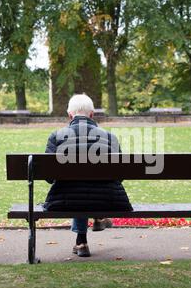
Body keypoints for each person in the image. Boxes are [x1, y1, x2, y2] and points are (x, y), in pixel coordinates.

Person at [43, 94, 133, 257]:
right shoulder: (110, 137)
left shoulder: (56, 136)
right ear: (92, 114)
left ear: (70, 115)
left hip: (65, 199)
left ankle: (82, 241)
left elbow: (49, 177)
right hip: (108, 198)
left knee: (77, 189)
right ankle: (98, 218)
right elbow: (119, 175)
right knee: (85, 189)